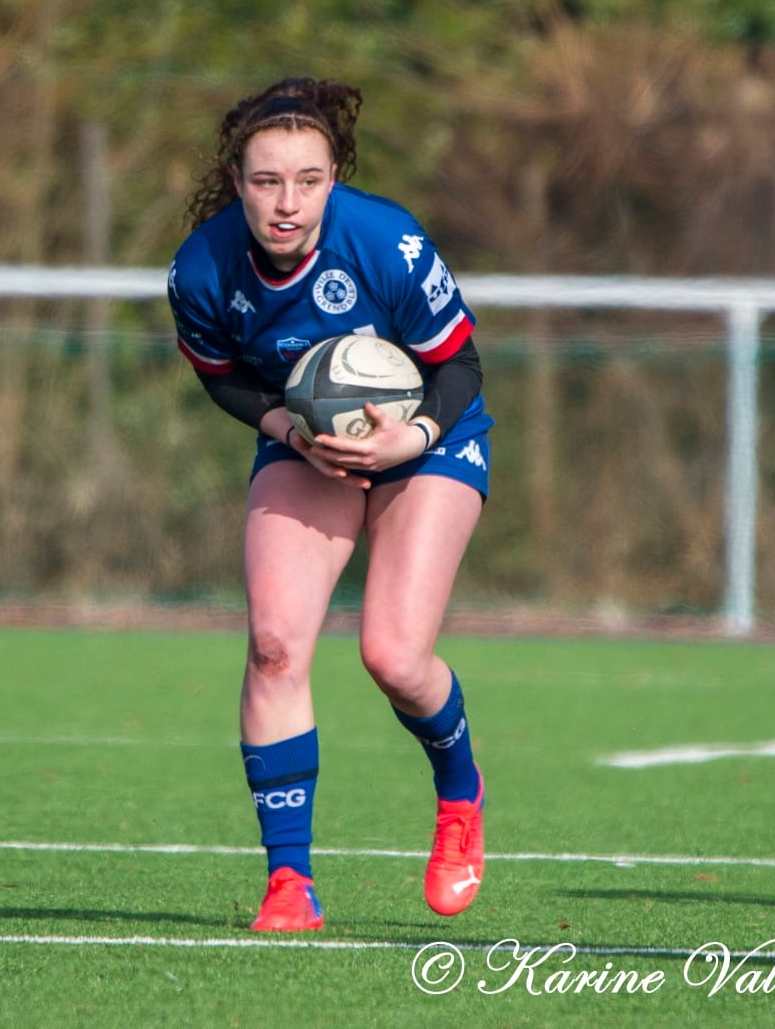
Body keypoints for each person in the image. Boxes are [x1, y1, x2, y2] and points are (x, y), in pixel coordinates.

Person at [167, 77, 493, 931]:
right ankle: (290, 883)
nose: (287, 202)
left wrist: (408, 439)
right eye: (267, 181)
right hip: (304, 442)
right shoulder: (200, 269)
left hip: (427, 436)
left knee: (393, 656)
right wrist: (285, 424)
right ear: (236, 181)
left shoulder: (386, 241)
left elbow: (459, 366)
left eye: (308, 181)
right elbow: (220, 376)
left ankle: (459, 791)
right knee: (274, 646)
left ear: (334, 178)